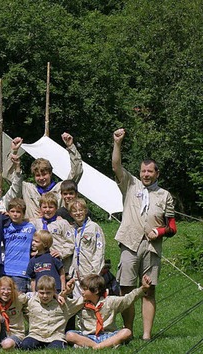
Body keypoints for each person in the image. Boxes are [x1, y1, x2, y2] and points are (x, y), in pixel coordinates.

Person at [112, 128, 176, 339]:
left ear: (157, 173)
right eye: (143, 171)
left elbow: (173, 227)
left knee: (148, 291)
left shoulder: (164, 195)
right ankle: (128, 331)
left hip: (151, 248)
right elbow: (116, 165)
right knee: (127, 290)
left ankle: (147, 335)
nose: (146, 175)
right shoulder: (130, 184)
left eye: (150, 172)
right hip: (129, 243)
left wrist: (160, 231)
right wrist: (117, 144)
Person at [66, 273, 152, 349]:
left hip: (108, 335)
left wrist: (143, 288)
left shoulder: (110, 301)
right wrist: (66, 293)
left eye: (85, 289)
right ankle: (101, 346)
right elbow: (66, 308)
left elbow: (127, 299)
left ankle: (95, 347)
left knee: (127, 332)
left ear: (96, 290)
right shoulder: (81, 302)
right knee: (69, 335)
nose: (82, 292)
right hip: (88, 337)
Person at [16, 132, 83, 220]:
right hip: (33, 231)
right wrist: (14, 151)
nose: (41, 178)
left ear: (50, 173)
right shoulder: (27, 189)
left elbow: (77, 172)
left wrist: (71, 147)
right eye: (38, 175)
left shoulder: (61, 188)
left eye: (44, 174)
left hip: (56, 230)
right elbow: (12, 179)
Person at [21, 276, 84, 350]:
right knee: (25, 345)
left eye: (48, 293)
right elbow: (17, 299)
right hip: (36, 335)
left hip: (55, 337)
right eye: (42, 293)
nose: (45, 296)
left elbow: (81, 301)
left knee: (54, 349)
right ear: (37, 291)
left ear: (54, 291)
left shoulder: (63, 303)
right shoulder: (31, 302)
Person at [68, 198, 105, 296]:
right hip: (76, 275)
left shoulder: (94, 227)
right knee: (78, 303)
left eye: (80, 210)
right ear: (71, 214)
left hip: (89, 272)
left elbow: (99, 251)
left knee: (91, 302)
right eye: (74, 211)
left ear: (85, 211)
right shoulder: (72, 229)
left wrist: (94, 273)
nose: (78, 213)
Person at [32, 192, 75, 273]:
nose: (47, 210)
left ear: (56, 208)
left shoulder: (62, 223)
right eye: (44, 207)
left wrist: (61, 253)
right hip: (40, 266)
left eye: (51, 207)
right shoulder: (36, 224)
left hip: (59, 266)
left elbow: (71, 243)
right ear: (40, 208)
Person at [0, 276, 28, 352]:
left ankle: (9, 343)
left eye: (9, 289)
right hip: (0, 332)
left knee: (7, 345)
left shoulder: (19, 299)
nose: (6, 292)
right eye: (3, 289)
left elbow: (34, 295)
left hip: (15, 333)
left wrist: (55, 295)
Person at [3, 198, 36, 292]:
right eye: (12, 211)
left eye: (18, 212)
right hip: (6, 269)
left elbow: (40, 240)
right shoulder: (5, 227)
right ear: (8, 212)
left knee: (19, 299)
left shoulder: (30, 227)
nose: (15, 214)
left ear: (23, 213)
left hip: (22, 270)